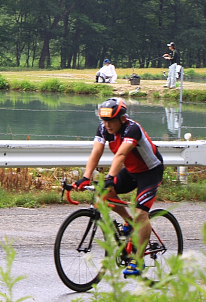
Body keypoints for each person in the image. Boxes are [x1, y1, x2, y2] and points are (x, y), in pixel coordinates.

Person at [73, 97, 164, 277]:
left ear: (122, 118)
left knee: (141, 213)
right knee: (104, 195)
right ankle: (129, 222)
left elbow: (121, 154)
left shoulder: (132, 129)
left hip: (150, 172)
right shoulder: (103, 128)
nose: (107, 125)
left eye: (111, 121)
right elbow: (96, 152)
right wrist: (85, 177)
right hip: (131, 171)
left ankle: (137, 261)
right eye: (104, 120)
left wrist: (110, 177)